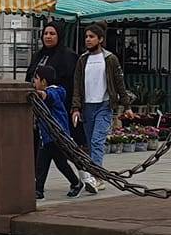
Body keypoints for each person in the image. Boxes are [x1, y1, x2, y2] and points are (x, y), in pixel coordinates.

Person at [72, 24, 129, 181]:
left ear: (100, 39)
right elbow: (77, 85)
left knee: (97, 141)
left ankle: (97, 178)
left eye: (92, 37)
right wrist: (76, 107)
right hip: (86, 107)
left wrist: (126, 105)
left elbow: (119, 82)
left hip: (104, 105)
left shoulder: (110, 59)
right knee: (91, 143)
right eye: (86, 37)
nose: (88, 40)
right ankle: (94, 173)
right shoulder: (82, 60)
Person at [31, 71, 85, 199]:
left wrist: (40, 94)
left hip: (56, 136)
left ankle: (40, 190)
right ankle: (40, 190)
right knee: (49, 163)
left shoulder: (55, 91)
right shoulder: (53, 92)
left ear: (44, 82)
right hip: (47, 137)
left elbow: (49, 96)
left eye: (36, 79)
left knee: (51, 163)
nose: (34, 81)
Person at [27, 24, 76, 94]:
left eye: (52, 34)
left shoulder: (68, 56)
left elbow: (70, 82)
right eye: (45, 33)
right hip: (35, 97)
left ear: (59, 36)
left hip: (58, 99)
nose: (48, 36)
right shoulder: (38, 55)